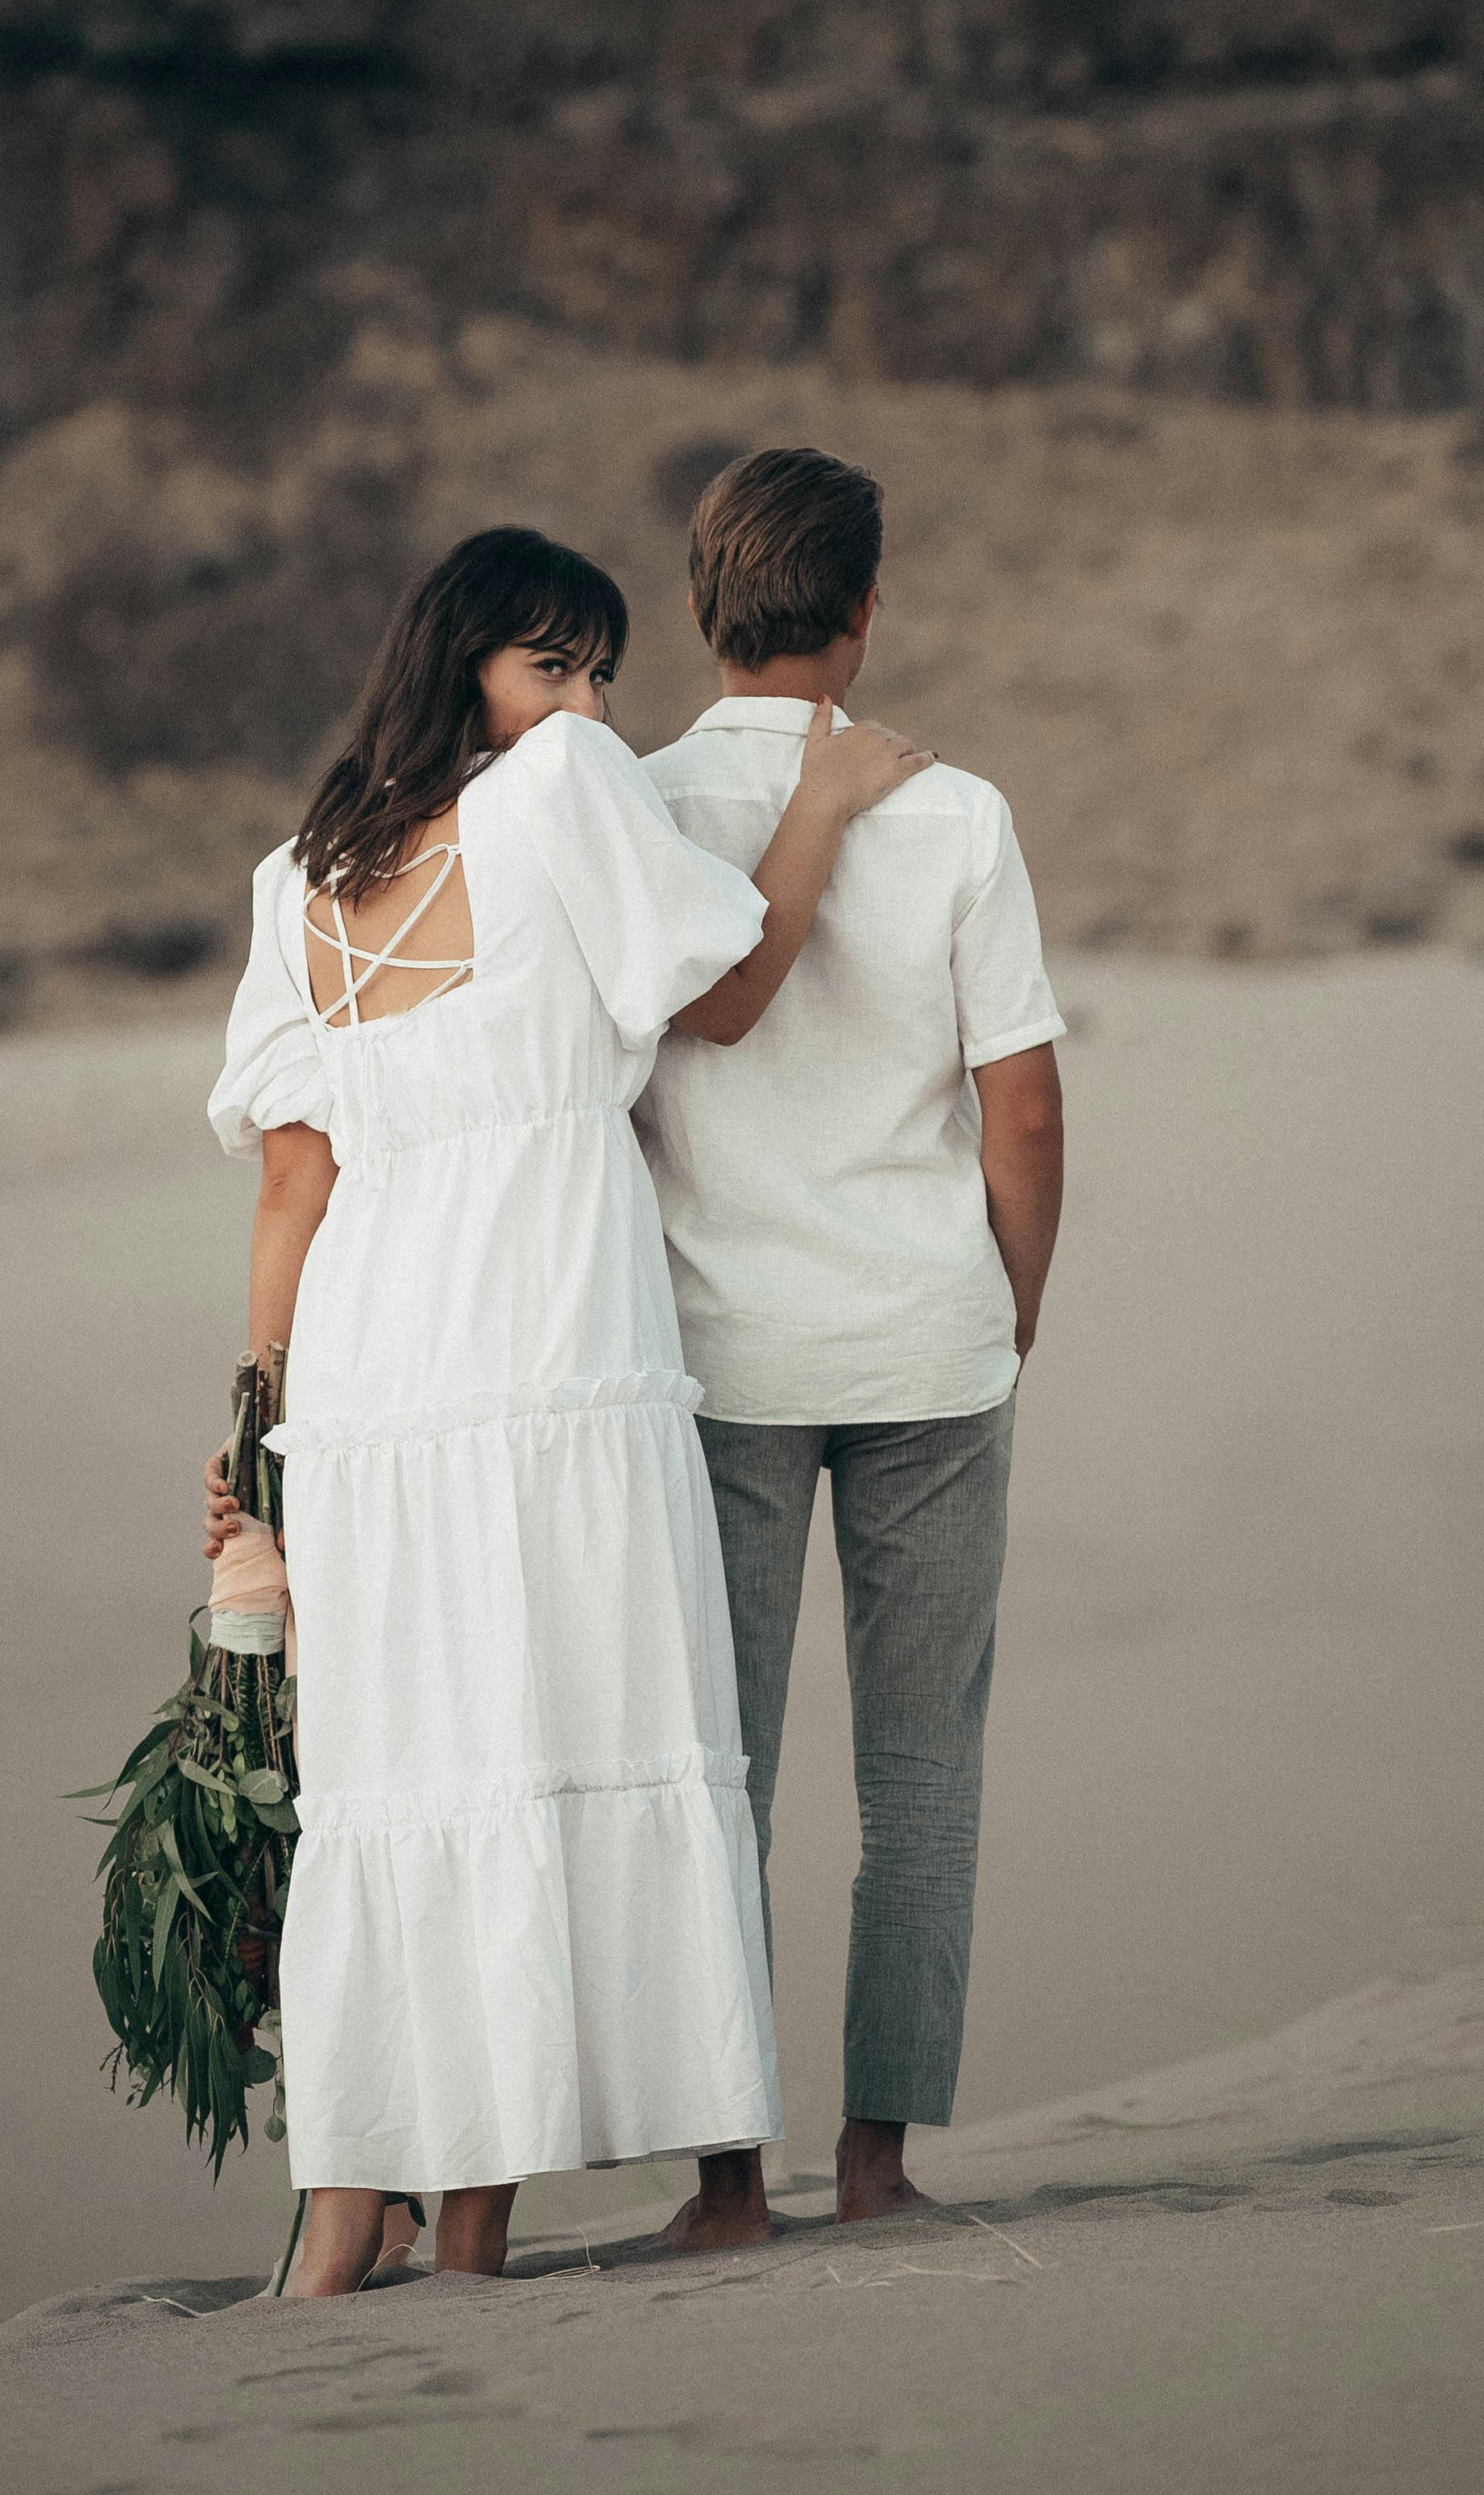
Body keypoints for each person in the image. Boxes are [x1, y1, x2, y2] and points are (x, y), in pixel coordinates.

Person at [202, 525, 929, 2296]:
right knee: (529, 1735)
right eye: (555, 665)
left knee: (409, 1766)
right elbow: (730, 995)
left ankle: (367, 2234)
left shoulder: (294, 876)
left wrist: (253, 1433)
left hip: (376, 1366)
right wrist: (823, 807)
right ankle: (456, 2241)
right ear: (469, 669)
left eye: (598, 671)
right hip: (542, 1332)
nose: (587, 703)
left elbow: (293, 1187)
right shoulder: (566, 788)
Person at [638, 448, 1065, 2244]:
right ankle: (879, 2166)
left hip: (714, 1355)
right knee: (921, 1779)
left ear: (700, 604)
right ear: (867, 606)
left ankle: (729, 2179)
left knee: (717, 1773)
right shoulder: (953, 810)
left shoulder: (632, 810)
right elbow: (1025, 1110)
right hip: (927, 1345)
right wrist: (1008, 1311)